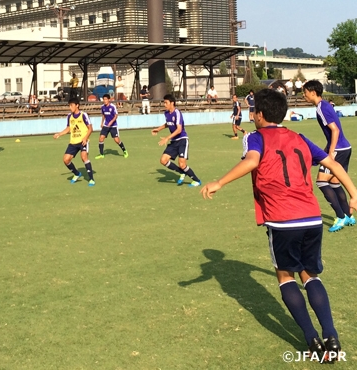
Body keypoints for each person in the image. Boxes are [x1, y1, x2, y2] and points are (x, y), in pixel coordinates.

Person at [201, 89, 352, 362]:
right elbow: (332, 163)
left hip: (282, 220)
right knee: (311, 275)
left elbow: (252, 160)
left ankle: (312, 340)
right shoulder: (300, 137)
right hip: (312, 218)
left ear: (259, 115)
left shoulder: (255, 138)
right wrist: (354, 193)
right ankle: (331, 335)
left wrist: (219, 182)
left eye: (253, 110)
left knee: (285, 278)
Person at [303, 80, 355, 232]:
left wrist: (331, 152)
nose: (304, 95)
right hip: (345, 147)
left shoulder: (321, 108)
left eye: (305, 92)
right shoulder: (325, 105)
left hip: (338, 149)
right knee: (334, 182)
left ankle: (340, 217)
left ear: (313, 92)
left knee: (321, 182)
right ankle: (348, 215)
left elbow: (335, 130)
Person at [151, 94, 201, 187]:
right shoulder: (166, 113)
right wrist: (158, 129)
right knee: (163, 160)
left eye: (166, 102)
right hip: (174, 141)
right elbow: (168, 123)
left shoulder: (177, 112)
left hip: (182, 140)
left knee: (182, 164)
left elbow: (179, 129)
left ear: (172, 103)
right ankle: (182, 173)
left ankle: (197, 180)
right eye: (164, 102)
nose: (164, 104)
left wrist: (167, 138)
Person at [53, 97, 95, 186]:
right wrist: (59, 134)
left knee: (84, 157)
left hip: (83, 141)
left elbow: (90, 128)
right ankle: (77, 173)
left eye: (71, 105)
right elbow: (68, 128)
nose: (70, 107)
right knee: (66, 160)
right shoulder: (69, 116)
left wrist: (85, 138)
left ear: (77, 105)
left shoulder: (83, 115)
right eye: (69, 105)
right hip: (73, 142)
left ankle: (91, 179)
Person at [95, 94, 128, 159]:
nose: (104, 101)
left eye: (106, 99)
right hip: (106, 125)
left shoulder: (112, 107)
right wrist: (102, 123)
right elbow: (103, 115)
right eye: (104, 99)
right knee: (101, 138)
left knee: (117, 140)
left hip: (113, 126)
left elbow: (116, 116)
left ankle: (124, 150)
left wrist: (111, 122)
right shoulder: (102, 107)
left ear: (109, 100)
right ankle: (101, 154)